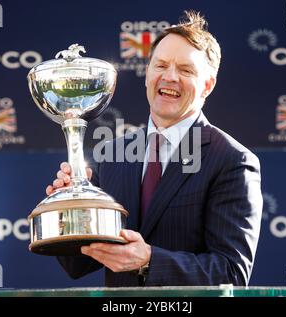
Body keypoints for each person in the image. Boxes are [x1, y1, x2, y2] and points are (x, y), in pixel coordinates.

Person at [46, 10, 263, 287]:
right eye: (160, 65)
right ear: (147, 73)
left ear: (207, 85)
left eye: (185, 70)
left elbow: (232, 272)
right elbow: (79, 264)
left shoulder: (232, 161)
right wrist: (74, 209)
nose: (170, 77)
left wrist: (148, 259)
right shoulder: (110, 155)